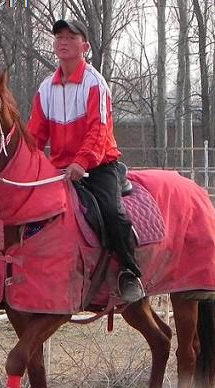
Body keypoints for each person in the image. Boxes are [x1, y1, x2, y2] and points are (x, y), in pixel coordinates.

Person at [27, 18, 144, 304]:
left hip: (99, 167)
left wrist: (81, 162)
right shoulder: (46, 89)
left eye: (71, 36)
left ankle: (130, 272)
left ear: (85, 46)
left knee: (111, 212)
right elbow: (35, 135)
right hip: (60, 171)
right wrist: (27, 163)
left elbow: (99, 130)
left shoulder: (95, 84)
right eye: (59, 37)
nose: (63, 41)